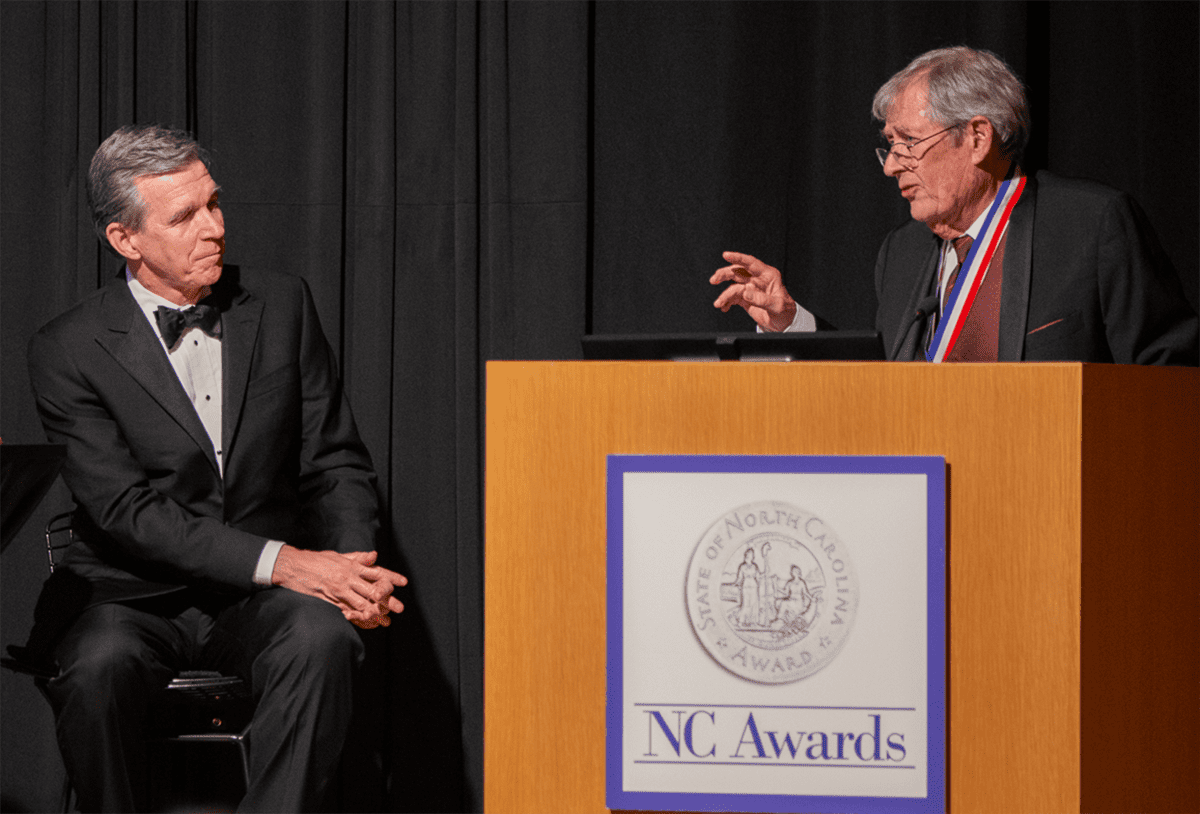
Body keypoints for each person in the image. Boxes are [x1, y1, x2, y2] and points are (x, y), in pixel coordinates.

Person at [23, 124, 407, 811]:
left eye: (214, 204)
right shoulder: (67, 349)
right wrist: (290, 562)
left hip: (255, 604)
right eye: (185, 216)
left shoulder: (283, 303)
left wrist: (354, 571)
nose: (215, 228)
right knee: (93, 671)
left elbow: (335, 460)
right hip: (134, 596)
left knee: (323, 641)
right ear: (125, 241)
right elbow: (128, 513)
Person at [711, 46, 1198, 365]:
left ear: (978, 137)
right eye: (889, 145)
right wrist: (792, 322)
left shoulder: (1089, 226)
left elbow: (1169, 377)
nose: (891, 166)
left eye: (909, 142)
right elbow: (882, 387)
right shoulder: (901, 252)